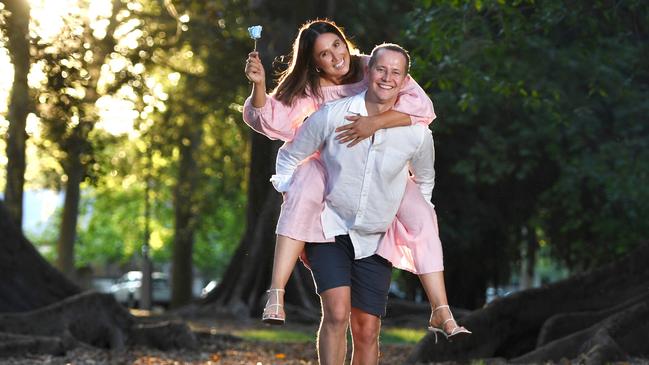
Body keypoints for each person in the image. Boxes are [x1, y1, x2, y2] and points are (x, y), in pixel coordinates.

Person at [243, 19, 469, 340]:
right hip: (335, 167)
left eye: (337, 44)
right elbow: (270, 121)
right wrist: (259, 85)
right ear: (313, 62)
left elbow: (421, 108)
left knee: (422, 216)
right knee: (304, 187)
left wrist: (373, 123)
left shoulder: (373, 67)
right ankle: (276, 293)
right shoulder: (311, 88)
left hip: (383, 170)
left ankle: (441, 311)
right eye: (323, 54)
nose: (336, 56)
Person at [271, 43, 447, 364]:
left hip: (376, 237)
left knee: (367, 329)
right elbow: (291, 155)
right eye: (381, 69)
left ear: (405, 80)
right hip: (329, 228)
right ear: (368, 71)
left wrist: (411, 211)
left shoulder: (416, 133)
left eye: (396, 72)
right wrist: (289, 190)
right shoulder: (332, 115)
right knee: (337, 313)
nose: (387, 77)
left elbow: (425, 179)